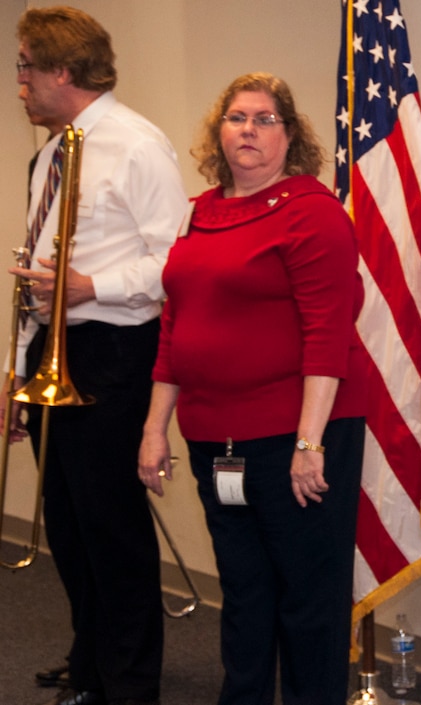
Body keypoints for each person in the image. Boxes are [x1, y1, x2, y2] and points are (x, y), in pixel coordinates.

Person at [137, 72, 367, 705]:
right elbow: (175, 325)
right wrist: (156, 428)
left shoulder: (311, 210)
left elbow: (328, 333)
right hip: (216, 441)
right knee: (242, 591)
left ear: (289, 137)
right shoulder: (198, 213)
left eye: (266, 119)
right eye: (238, 117)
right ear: (220, 132)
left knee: (307, 601)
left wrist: (309, 444)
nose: (249, 130)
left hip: (296, 439)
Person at [5, 7, 189, 705]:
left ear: (62, 71)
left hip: (114, 346)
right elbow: (39, 273)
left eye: (26, 66)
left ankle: (129, 681)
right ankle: (93, 660)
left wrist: (92, 286)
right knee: (68, 523)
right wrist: (18, 369)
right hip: (56, 349)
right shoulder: (51, 150)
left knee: (110, 525)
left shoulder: (136, 144)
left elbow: (177, 261)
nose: (18, 81)